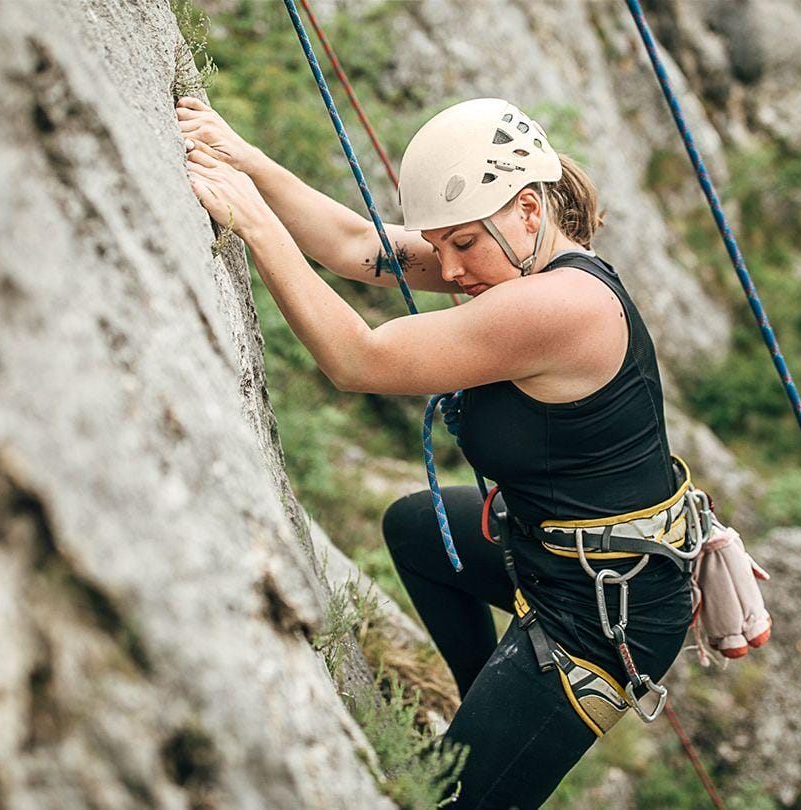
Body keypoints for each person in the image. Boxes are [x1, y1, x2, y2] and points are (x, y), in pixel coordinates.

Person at [178, 95, 694, 809]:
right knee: (417, 530)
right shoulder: (510, 258)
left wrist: (252, 222)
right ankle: (486, 700)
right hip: (550, 550)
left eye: (463, 245)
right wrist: (244, 158)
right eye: (440, 245)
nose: (449, 271)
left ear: (530, 211)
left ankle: (496, 731)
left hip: (603, 613)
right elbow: (355, 242)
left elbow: (359, 359)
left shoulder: (560, 306)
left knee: (444, 799)